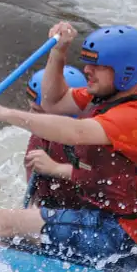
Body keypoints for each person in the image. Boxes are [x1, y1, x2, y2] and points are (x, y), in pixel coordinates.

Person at [0, 21, 137, 267]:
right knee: (17, 221)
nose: (87, 70)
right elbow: (54, 102)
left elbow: (74, 132)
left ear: (124, 71)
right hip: (113, 223)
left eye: (97, 66)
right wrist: (59, 52)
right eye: (87, 63)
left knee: (0, 221)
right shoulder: (112, 95)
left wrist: (2, 113)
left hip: (118, 234)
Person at [22, 65, 87, 205]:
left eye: (38, 111)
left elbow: (102, 181)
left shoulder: (93, 141)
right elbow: (34, 197)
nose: (30, 117)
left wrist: (55, 169)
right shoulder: (39, 137)